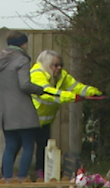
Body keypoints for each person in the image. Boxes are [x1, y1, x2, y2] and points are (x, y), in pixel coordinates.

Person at [29, 49, 102, 179]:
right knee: (26, 147)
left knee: (44, 147)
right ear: (47, 65)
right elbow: (48, 93)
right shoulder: (37, 74)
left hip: (45, 120)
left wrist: (93, 92)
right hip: (30, 118)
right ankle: (20, 176)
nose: (59, 68)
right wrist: (72, 97)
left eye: (61, 65)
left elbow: (77, 87)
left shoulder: (61, 76)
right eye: (56, 65)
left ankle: (40, 171)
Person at [0, 31, 46, 181]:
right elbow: (25, 84)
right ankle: (22, 178)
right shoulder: (21, 59)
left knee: (10, 145)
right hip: (22, 109)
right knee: (28, 145)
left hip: (4, 109)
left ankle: (7, 179)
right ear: (23, 43)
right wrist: (40, 90)